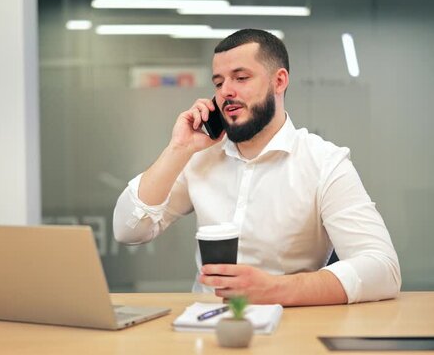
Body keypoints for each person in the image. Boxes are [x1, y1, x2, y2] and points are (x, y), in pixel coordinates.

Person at [113, 29, 401, 306]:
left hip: (289, 326)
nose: (226, 92)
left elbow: (383, 267)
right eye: (218, 82)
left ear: (279, 81)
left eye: (240, 78)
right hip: (204, 326)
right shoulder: (199, 158)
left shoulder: (324, 162)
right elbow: (129, 231)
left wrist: (275, 289)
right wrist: (179, 149)